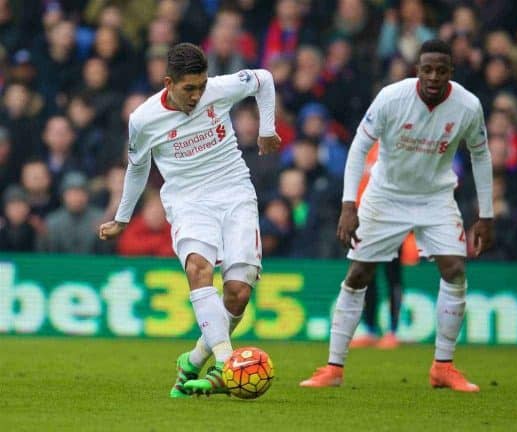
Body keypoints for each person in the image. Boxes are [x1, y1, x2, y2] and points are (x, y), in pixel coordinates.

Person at [299, 39, 494, 392]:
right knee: (359, 273)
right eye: (426, 69)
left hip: (435, 197)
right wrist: (349, 204)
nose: (433, 77)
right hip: (385, 195)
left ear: (451, 72)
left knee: (455, 269)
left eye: (441, 70)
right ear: (417, 70)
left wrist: (487, 214)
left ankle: (443, 367)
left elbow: (481, 155)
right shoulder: (392, 98)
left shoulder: (468, 106)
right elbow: (359, 146)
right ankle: (333, 368)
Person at [97, 42, 280, 398]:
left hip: (234, 192)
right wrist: (122, 217)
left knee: (238, 293)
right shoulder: (143, 119)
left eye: (201, 86)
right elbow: (138, 168)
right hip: (188, 201)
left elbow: (264, 78)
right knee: (198, 267)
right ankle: (227, 365)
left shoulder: (218, 90)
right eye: (188, 89)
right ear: (168, 83)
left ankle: (193, 360)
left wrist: (266, 129)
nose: (197, 95)